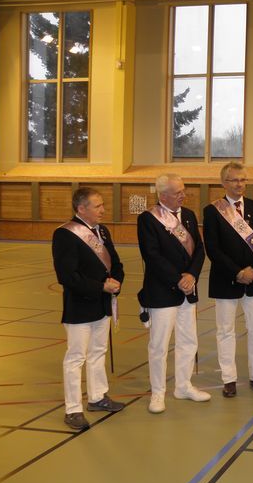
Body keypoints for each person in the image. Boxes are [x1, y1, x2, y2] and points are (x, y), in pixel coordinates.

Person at [52, 187, 126, 430]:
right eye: (97, 206)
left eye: (102, 205)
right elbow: (67, 276)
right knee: (76, 357)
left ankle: (97, 397)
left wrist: (116, 282)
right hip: (79, 306)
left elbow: (115, 263)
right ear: (81, 208)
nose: (103, 210)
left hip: (102, 304)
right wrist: (101, 286)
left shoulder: (102, 231)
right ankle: (73, 409)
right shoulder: (65, 234)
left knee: (98, 352)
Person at [203, 162, 253, 398]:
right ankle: (229, 379)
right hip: (226, 279)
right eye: (234, 180)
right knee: (225, 331)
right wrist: (237, 272)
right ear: (223, 182)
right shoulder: (212, 211)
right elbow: (213, 248)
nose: (239, 184)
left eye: (243, 180)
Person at [137, 173, 209, 414]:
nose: (183, 195)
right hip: (162, 292)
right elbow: (152, 255)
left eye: (183, 190)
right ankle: (158, 393)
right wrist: (178, 279)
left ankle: (183, 386)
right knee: (159, 345)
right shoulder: (148, 219)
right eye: (178, 192)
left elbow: (199, 249)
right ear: (163, 195)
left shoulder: (188, 215)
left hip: (187, 290)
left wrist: (192, 275)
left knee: (189, 341)